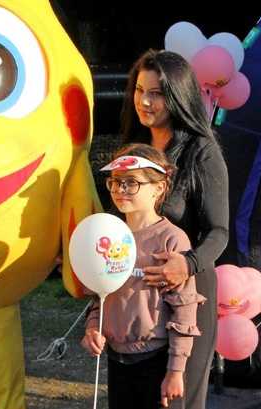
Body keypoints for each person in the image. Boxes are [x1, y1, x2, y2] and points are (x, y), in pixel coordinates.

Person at [120, 49, 229, 409]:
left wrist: (187, 263)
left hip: (188, 296)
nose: (144, 101)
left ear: (178, 97)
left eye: (156, 93)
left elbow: (219, 232)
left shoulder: (202, 152)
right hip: (138, 298)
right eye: (139, 90)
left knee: (175, 401)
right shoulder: (134, 148)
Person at [81, 144, 205, 409]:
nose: (120, 190)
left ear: (158, 188)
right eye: (115, 182)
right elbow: (99, 294)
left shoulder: (171, 239)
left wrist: (175, 371)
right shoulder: (109, 234)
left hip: (156, 362)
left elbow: (184, 310)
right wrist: (93, 326)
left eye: (131, 183)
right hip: (116, 360)